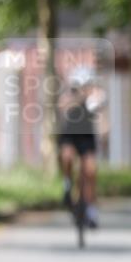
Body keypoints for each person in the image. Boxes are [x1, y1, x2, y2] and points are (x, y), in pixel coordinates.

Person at [57, 67, 105, 228]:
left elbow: (100, 111)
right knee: (67, 156)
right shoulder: (69, 95)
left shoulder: (96, 95)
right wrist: (80, 97)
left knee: (90, 171)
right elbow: (63, 106)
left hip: (86, 137)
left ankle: (91, 211)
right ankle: (67, 184)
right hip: (70, 135)